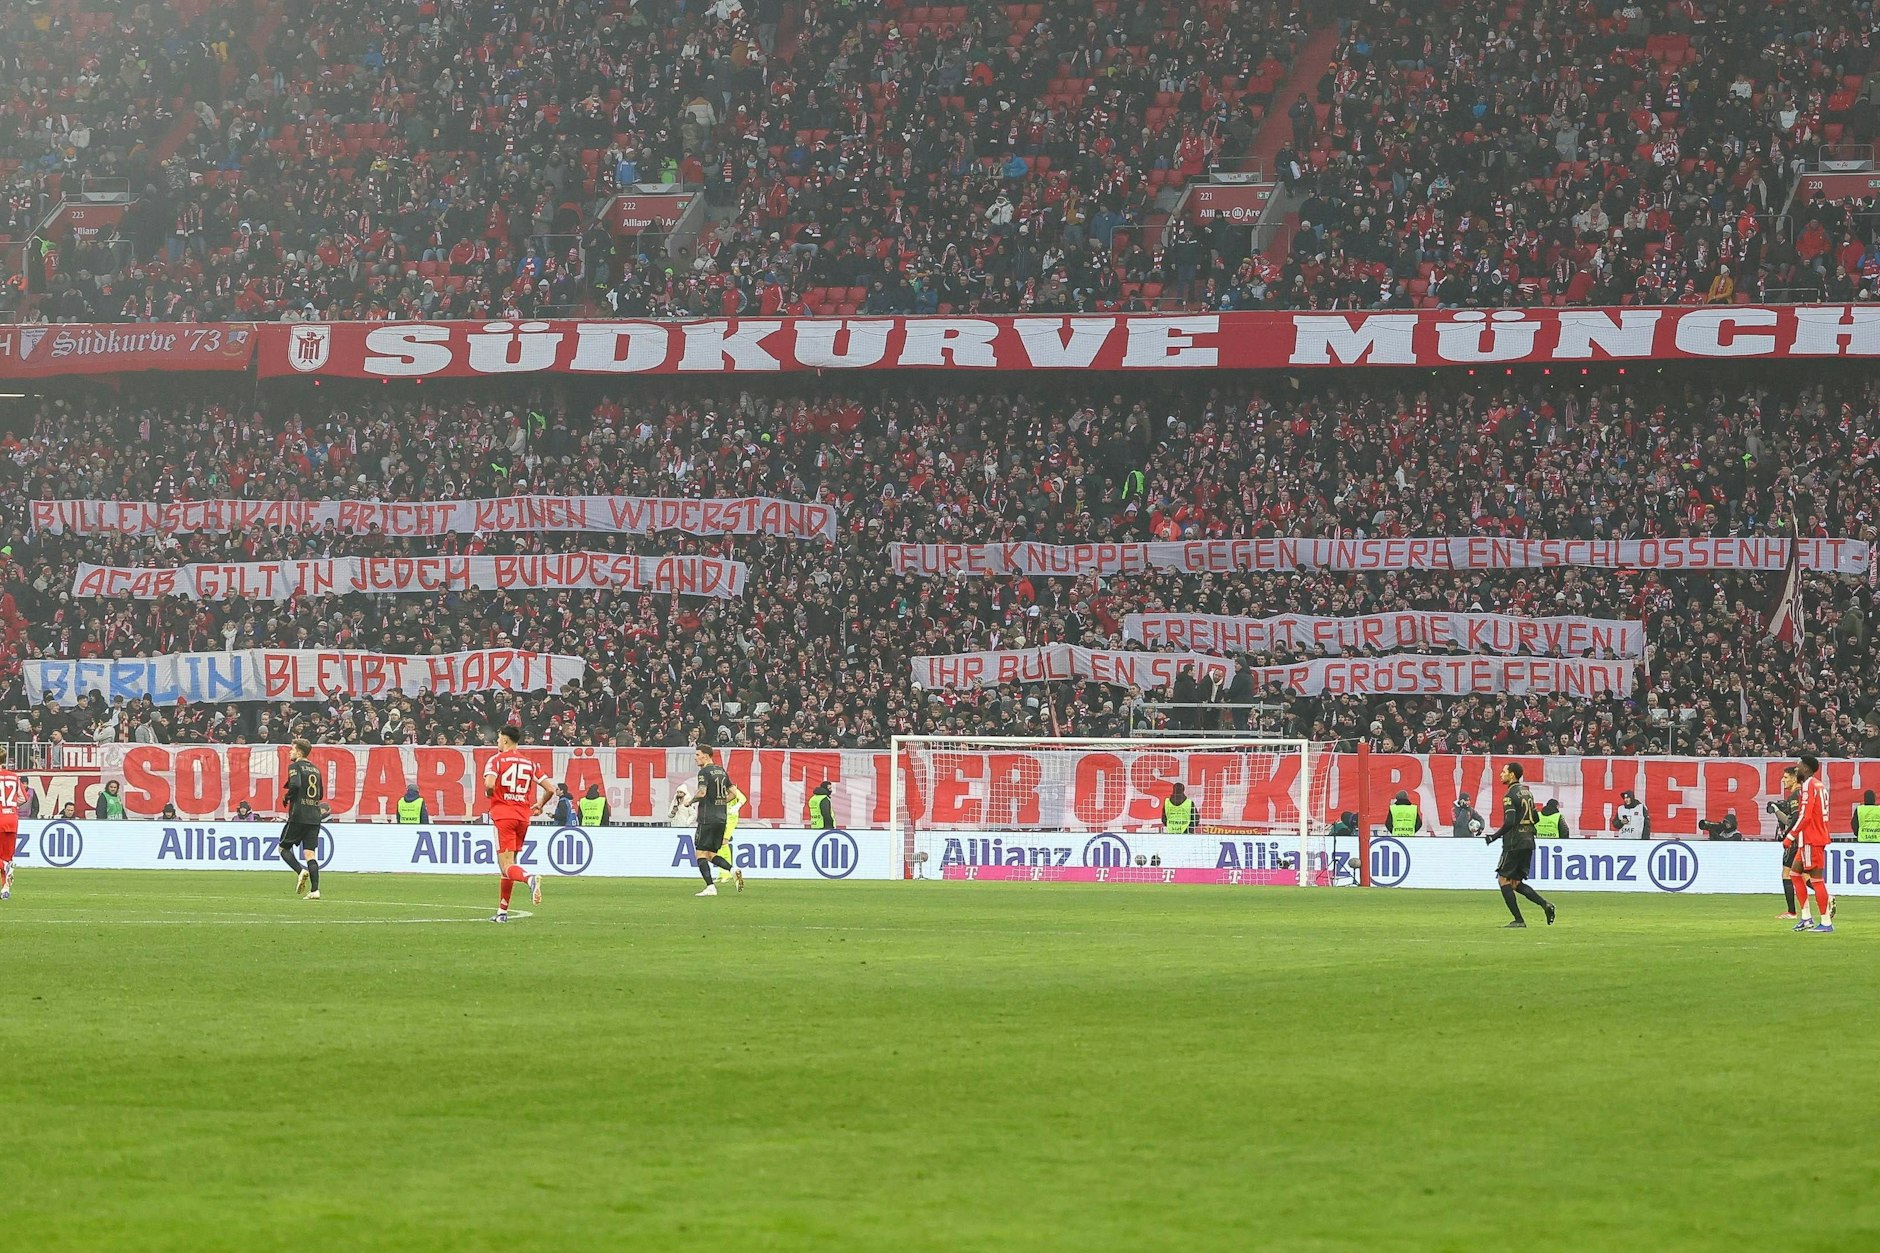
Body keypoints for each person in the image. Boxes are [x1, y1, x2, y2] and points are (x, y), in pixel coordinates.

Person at [483, 724, 553, 922]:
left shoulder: (496, 760)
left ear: (505, 739)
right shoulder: (530, 764)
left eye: (498, 738)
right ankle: (502, 913)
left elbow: (489, 784)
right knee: (510, 864)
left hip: (503, 815)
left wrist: (490, 793)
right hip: (523, 817)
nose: (497, 741)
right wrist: (539, 804)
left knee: (506, 866)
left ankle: (529, 879)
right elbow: (550, 788)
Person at [1483, 762, 1556, 928]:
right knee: (1515, 883)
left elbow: (1509, 822)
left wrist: (1493, 837)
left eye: (1504, 772)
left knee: (1503, 880)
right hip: (1529, 840)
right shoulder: (1527, 793)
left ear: (1512, 775)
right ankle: (1545, 905)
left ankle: (1519, 920)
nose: (1501, 774)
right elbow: (1535, 818)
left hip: (1514, 842)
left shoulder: (1510, 795)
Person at [676, 744, 745, 896]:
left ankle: (710, 887)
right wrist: (720, 803)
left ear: (706, 756)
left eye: (698, 755)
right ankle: (733, 870)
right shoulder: (721, 770)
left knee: (700, 853)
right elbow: (734, 793)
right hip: (721, 818)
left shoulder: (704, 772)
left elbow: (702, 792)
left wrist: (689, 802)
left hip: (707, 818)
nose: (696, 758)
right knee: (710, 854)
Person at [1789, 753, 1834, 933]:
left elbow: (1805, 816)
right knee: (1794, 874)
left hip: (1811, 837)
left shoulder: (1808, 785)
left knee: (1816, 879)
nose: (1796, 768)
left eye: (1799, 765)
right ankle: (1806, 918)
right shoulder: (1819, 785)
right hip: (1812, 836)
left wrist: (1790, 836)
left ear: (1806, 768)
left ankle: (1826, 922)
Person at [277, 739, 327, 900]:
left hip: (299, 814)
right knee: (310, 853)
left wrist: (287, 796)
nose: (290, 752)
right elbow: (320, 795)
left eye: (292, 749)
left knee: (283, 848)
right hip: (314, 815)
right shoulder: (316, 770)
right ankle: (315, 890)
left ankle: (300, 871)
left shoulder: (295, 766)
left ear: (299, 752)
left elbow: (296, 784)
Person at [1768, 766, 1802, 918]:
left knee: (1787, 874)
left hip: (1795, 839)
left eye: (1786, 777)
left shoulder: (1795, 795)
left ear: (1794, 778)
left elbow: (1792, 820)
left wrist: (1776, 810)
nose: (1783, 780)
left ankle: (1792, 912)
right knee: (1806, 877)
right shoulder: (1804, 793)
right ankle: (1827, 898)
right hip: (1804, 838)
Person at [0, 746, 23, 901]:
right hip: (12, 819)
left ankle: (5, 866)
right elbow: (23, 798)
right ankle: (5, 889)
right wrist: (10, 807)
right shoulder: (14, 777)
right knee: (7, 856)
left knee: (3, 860)